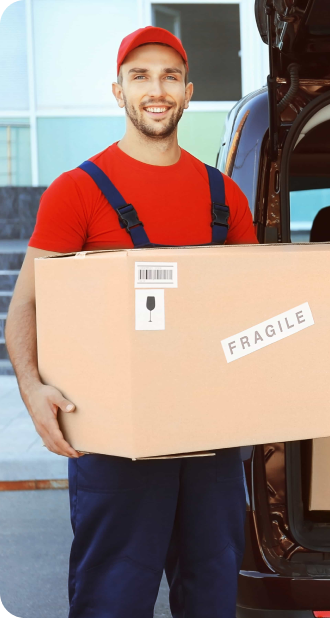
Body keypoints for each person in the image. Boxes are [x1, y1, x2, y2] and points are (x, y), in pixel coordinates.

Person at [5, 27, 258, 617]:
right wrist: (32, 387)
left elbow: (253, 303)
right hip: (113, 436)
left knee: (213, 595)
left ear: (189, 92)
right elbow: (27, 304)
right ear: (117, 91)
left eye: (170, 76)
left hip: (209, 438)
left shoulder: (225, 197)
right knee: (111, 599)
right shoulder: (77, 192)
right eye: (140, 76)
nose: (156, 89)